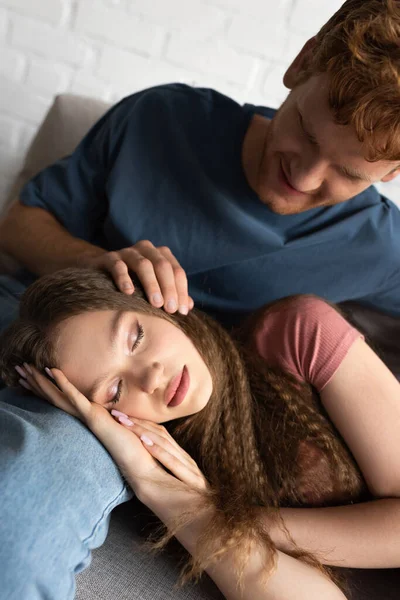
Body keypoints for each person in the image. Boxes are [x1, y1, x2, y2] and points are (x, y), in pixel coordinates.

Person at [0, 0, 400, 598]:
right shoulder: (164, 119)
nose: (308, 177)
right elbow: (20, 223)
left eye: (349, 174)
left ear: (391, 171)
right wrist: (96, 264)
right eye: (307, 134)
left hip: (114, 419)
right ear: (302, 59)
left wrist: (220, 512)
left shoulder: (375, 250)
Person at [3, 265, 399, 600]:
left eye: (136, 336)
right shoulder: (165, 467)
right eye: (115, 390)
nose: (151, 376)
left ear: (157, 305)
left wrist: (236, 519)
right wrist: (164, 491)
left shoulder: (297, 332)